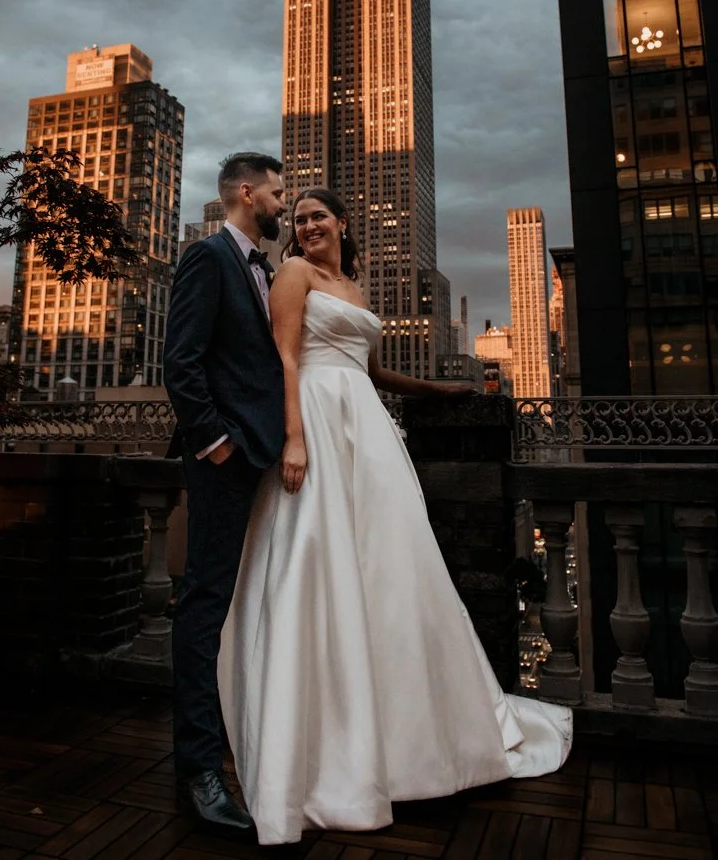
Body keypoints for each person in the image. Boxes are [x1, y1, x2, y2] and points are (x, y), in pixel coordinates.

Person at [218, 188, 573, 846]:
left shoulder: (352, 287)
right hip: (317, 423)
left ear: (343, 223)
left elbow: (372, 370)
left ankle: (407, 734)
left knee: (389, 571)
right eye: (298, 219)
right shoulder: (293, 274)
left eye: (318, 215)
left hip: (370, 434)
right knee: (314, 560)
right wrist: (294, 439)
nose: (307, 225)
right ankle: (322, 743)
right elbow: (285, 358)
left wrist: (435, 389)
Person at [163, 152, 287, 840]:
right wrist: (215, 442)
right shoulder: (209, 257)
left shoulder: (260, 267)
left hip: (262, 456)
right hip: (225, 460)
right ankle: (199, 772)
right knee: (204, 606)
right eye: (276, 193)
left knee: (243, 602)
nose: (280, 203)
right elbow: (180, 361)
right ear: (246, 193)